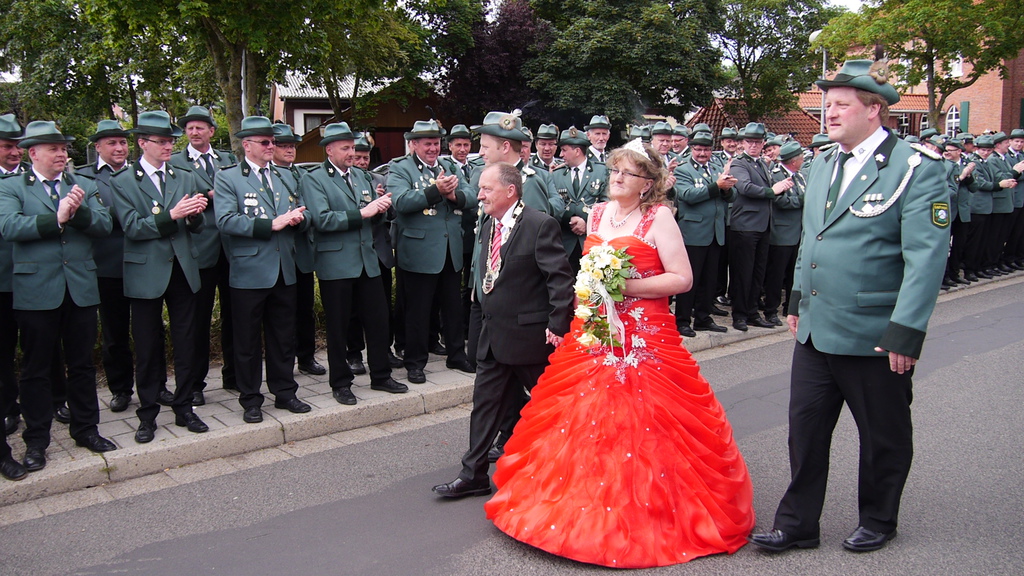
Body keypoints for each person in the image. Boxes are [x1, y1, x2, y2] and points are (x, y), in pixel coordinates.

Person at [482, 140, 755, 568]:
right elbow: (582, 272)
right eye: (615, 170)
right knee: (580, 417)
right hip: (594, 333)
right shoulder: (596, 214)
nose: (618, 178)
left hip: (644, 336)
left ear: (647, 184)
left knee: (643, 423)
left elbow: (682, 278)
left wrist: (626, 287)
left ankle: (648, 510)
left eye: (628, 173)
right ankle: (571, 506)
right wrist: (587, 296)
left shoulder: (658, 217)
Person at [748, 59, 950, 554]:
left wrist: (906, 331)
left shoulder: (915, 168)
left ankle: (879, 519)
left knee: (882, 435)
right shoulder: (823, 164)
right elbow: (810, 239)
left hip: (874, 331)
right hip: (816, 328)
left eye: (841, 105)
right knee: (805, 432)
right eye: (828, 105)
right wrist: (797, 297)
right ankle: (798, 524)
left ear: (874, 109)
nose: (829, 113)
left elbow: (925, 260)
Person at [432, 161, 573, 498]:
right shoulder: (488, 224)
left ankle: (567, 468)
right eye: (480, 188)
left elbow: (559, 280)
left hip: (530, 339)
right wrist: (476, 327)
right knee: (484, 405)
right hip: (493, 338)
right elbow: (486, 281)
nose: (479, 195)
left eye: (486, 189)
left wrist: (557, 325)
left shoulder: (539, 224)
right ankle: (474, 474)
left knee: (550, 408)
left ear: (510, 191)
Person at [0, 121, 117, 471]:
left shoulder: (82, 185)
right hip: (37, 290)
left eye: (64, 148)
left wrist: (77, 213)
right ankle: (37, 440)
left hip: (79, 288)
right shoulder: (11, 187)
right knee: (35, 369)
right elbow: (10, 226)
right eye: (53, 149)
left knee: (82, 365)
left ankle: (86, 429)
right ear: (33, 153)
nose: (61, 154)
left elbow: (104, 225)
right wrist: (57, 218)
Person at [109, 110, 209, 443]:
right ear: (142, 143)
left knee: (186, 343)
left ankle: (184, 407)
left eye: (171, 141)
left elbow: (197, 225)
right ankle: (148, 414)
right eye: (162, 141)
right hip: (146, 272)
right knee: (148, 347)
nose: (169, 146)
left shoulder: (185, 175)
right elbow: (132, 228)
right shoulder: (123, 181)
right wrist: (173, 215)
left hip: (182, 269)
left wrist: (194, 216)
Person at [214, 116, 313, 423]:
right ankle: (251, 399)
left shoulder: (284, 176)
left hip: (284, 268)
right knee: (246, 340)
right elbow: (225, 221)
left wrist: (300, 219)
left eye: (273, 142)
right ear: (247, 145)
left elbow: (305, 211)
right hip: (250, 271)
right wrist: (271, 224)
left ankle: (285, 392)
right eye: (265, 142)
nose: (272, 146)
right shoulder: (229, 178)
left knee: (283, 336)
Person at [302, 122, 408, 405]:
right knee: (339, 327)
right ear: (329, 150)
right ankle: (341, 383)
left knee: (378, 321)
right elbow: (322, 219)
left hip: (367, 261)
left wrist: (381, 208)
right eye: (346, 148)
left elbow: (372, 215)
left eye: (353, 147)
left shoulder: (362, 176)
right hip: (336, 263)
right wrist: (363, 212)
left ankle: (381, 375)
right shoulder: (314, 179)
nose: (352, 153)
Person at [387, 119, 477, 384]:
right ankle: (415, 362)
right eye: (427, 143)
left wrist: (453, 196)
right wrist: (435, 191)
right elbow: (400, 202)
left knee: (452, 308)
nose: (433, 148)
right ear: (413, 144)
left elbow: (472, 196)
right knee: (418, 311)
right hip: (419, 251)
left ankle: (456, 355)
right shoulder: (400, 168)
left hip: (450, 249)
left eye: (436, 143)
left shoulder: (449, 166)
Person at [170, 105, 237, 403]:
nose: (194, 132)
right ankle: (195, 384)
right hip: (200, 248)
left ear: (212, 131)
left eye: (200, 127)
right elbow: (179, 198)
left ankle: (234, 375)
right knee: (197, 320)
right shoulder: (175, 162)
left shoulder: (228, 159)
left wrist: (217, 195)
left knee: (236, 316)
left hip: (233, 248)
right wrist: (213, 195)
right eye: (189, 128)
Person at [271, 123, 326, 377]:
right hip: (276, 251)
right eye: (283, 145)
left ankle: (306, 357)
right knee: (281, 313)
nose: (290, 150)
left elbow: (312, 210)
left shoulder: (303, 175)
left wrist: (302, 220)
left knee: (304, 308)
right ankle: (282, 362)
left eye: (292, 145)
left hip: (301, 249)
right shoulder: (267, 175)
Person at [729, 122, 792, 331]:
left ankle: (752, 312)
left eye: (757, 142)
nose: (753, 145)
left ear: (763, 143)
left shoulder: (762, 164)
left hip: (762, 225)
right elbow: (745, 187)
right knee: (743, 273)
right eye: (749, 141)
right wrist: (773, 191)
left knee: (758, 273)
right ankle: (740, 314)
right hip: (745, 225)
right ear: (743, 143)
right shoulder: (739, 163)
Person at [673, 130, 736, 336]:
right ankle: (682, 320)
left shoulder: (717, 168)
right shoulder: (683, 170)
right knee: (690, 280)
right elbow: (687, 195)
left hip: (715, 231)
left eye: (706, 149)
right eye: (698, 149)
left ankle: (703, 318)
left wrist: (727, 189)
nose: (702, 153)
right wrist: (717, 186)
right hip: (694, 232)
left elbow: (731, 197)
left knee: (710, 280)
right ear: (692, 149)